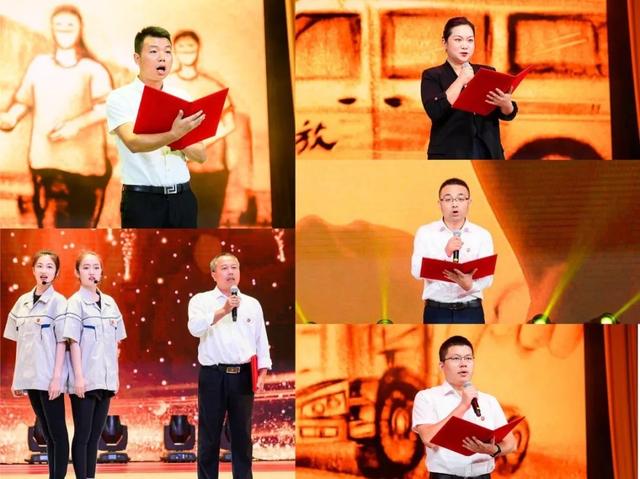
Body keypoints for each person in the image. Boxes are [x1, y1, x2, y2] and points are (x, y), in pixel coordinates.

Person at [0, 5, 112, 227]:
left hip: (85, 169)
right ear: (52, 29)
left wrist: (75, 125)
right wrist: (11, 117)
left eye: (70, 24)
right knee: (49, 233)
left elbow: (107, 107)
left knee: (81, 234)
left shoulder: (93, 69)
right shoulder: (39, 66)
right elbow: (23, 101)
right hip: (46, 163)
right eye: (58, 25)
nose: (64, 29)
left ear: (80, 28)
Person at [106, 26, 206, 228]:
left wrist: (179, 136)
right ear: (137, 58)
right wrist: (174, 133)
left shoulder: (182, 97)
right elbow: (133, 143)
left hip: (183, 199)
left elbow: (200, 155)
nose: (162, 58)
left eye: (168, 52)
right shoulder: (119, 98)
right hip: (142, 202)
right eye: (153, 51)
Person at [188, 253, 272, 479]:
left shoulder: (252, 304)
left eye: (234, 267)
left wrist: (263, 372)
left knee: (242, 436)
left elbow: (261, 340)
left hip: (243, 376)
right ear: (214, 274)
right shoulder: (200, 301)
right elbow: (194, 328)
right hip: (213, 376)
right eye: (225, 268)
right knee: (209, 436)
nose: (230, 272)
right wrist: (224, 310)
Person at [3, 250, 69, 479]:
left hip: (49, 377)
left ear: (56, 273)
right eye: (40, 266)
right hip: (30, 378)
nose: (44, 271)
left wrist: (57, 378)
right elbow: (20, 345)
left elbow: (62, 342)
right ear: (33, 270)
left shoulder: (59, 303)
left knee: (57, 432)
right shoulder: (21, 302)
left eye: (50, 267)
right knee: (47, 433)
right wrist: (17, 380)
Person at [412, 335, 516, 478]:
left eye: (468, 358)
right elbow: (429, 439)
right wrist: (463, 405)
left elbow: (511, 444)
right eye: (456, 358)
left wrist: (492, 449)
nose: (463, 364)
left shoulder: (489, 401)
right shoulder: (427, 397)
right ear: (441, 365)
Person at [64, 251, 126, 479]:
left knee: (95, 436)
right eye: (86, 268)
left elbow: (117, 341)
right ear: (77, 272)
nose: (92, 272)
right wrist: (79, 377)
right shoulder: (75, 303)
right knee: (83, 435)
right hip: (85, 380)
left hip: (106, 380)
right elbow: (73, 341)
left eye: (96, 267)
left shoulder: (110, 303)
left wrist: (115, 377)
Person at [166, 30, 236, 227]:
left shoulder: (213, 86)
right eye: (181, 46)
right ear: (174, 51)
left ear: (198, 48)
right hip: (176, 172)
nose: (187, 50)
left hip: (212, 171)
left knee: (208, 228)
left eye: (191, 45)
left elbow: (230, 124)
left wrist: (200, 142)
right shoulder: (166, 86)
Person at [421, 17, 518, 159]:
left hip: (488, 152)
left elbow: (507, 114)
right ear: (444, 42)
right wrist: (460, 80)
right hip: (450, 154)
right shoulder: (432, 75)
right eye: (458, 40)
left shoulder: (487, 72)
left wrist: (506, 104)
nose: (465, 46)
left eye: (470, 40)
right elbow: (435, 111)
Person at [411, 178, 494, 323]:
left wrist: (470, 286)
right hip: (436, 310)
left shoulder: (482, 235)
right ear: (440, 203)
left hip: (471, 310)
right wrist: (446, 252)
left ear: (469, 202)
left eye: (460, 199)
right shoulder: (425, 232)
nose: (454, 204)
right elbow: (416, 271)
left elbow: (487, 278)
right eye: (448, 199)